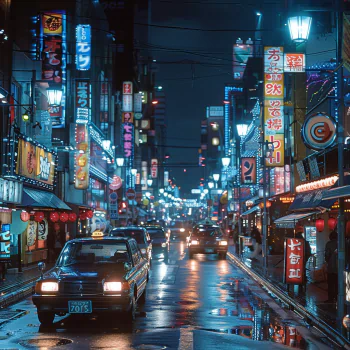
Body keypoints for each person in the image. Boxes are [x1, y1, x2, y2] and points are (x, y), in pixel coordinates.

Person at [324, 230, 338, 303]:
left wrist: (327, 261)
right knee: (337, 284)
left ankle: (331, 299)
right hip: (339, 268)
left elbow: (327, 255)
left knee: (330, 284)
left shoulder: (328, 244)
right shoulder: (341, 243)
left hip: (331, 268)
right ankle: (337, 298)